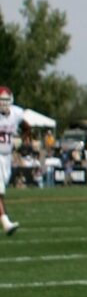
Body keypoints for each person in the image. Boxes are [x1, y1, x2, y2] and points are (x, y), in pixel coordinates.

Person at [0, 88, 24, 234]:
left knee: (2, 192)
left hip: (7, 157)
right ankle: (5, 221)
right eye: (1, 100)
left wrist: (21, 137)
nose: (3, 103)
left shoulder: (16, 113)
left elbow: (26, 124)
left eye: (6, 100)